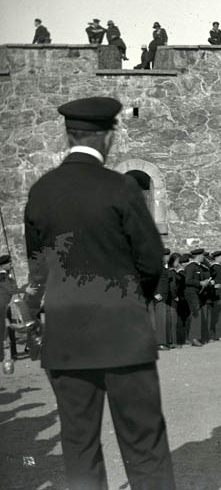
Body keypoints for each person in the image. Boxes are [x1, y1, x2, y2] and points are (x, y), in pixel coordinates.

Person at [23, 97, 175, 489]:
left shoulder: (41, 191)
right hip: (124, 335)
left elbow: (37, 268)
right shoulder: (121, 187)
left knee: (79, 444)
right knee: (144, 442)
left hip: (66, 339)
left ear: (67, 135)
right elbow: (151, 261)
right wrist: (130, 302)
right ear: (108, 136)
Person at [184, 248, 212, 346]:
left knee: (196, 314)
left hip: (198, 293)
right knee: (196, 313)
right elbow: (188, 280)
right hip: (191, 293)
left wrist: (206, 282)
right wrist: (200, 283)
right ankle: (194, 337)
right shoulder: (191, 267)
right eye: (203, 255)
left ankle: (193, 336)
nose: (204, 257)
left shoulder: (199, 267)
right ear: (198, 256)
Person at [0, 254, 19, 374]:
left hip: (6, 306)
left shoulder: (7, 276)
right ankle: (7, 359)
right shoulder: (2, 276)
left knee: (9, 330)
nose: (11, 265)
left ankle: (12, 355)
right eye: (9, 263)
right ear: (3, 265)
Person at [152, 247, 172, 350]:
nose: (168, 258)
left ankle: (164, 341)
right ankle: (160, 343)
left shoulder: (163, 267)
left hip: (164, 297)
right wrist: (155, 293)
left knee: (163, 320)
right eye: (167, 256)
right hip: (158, 298)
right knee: (160, 320)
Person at [209, 251, 221, 339]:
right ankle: (219, 334)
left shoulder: (220, 268)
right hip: (217, 294)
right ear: (216, 258)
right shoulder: (214, 268)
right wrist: (213, 285)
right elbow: (210, 279)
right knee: (219, 315)